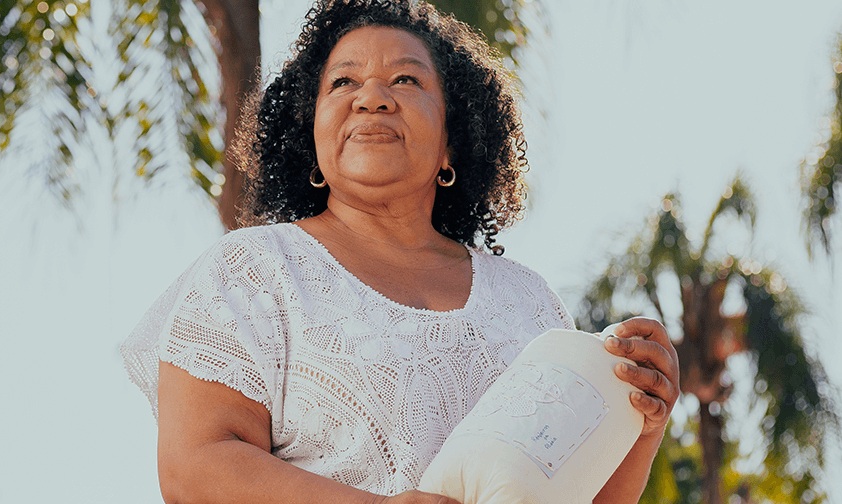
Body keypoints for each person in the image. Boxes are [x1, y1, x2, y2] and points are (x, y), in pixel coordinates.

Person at [122, 1, 680, 503]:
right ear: (310, 136)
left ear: (451, 141)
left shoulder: (530, 304)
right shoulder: (253, 269)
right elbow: (194, 466)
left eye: (406, 79)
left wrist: (640, 422)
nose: (372, 97)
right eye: (342, 83)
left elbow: (569, 492)